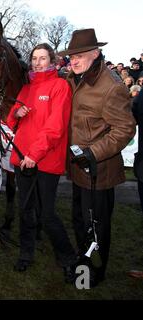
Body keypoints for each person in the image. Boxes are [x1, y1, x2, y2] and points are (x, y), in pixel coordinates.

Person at [59, 28, 136, 287]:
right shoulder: (73, 78)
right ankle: (84, 264)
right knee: (79, 220)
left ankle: (95, 273)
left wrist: (93, 153)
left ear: (95, 53)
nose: (74, 60)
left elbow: (125, 129)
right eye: (71, 56)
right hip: (78, 169)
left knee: (97, 226)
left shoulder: (111, 86)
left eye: (79, 55)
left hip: (98, 172)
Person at [5, 43, 78, 283]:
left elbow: (55, 127)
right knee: (25, 210)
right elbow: (11, 121)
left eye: (43, 58)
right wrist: (16, 114)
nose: (37, 63)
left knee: (47, 214)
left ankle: (68, 259)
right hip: (22, 159)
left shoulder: (60, 86)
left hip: (45, 161)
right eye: (34, 58)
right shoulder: (25, 89)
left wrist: (34, 155)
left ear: (53, 61)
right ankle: (26, 254)